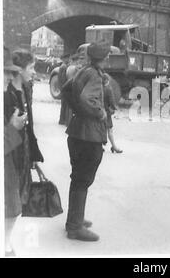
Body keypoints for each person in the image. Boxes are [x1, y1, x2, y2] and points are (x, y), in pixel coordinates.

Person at [62, 41, 110, 241]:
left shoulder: (83, 71)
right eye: (107, 55)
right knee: (83, 180)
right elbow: (86, 99)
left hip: (77, 132)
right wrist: (99, 113)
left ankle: (74, 220)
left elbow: (65, 91)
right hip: (89, 136)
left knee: (78, 179)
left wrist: (78, 112)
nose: (108, 58)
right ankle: (75, 227)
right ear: (103, 58)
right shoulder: (95, 75)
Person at [4, 48, 44, 255]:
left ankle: (6, 240)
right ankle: (4, 245)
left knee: (19, 196)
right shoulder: (6, 93)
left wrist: (33, 155)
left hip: (23, 147)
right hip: (10, 151)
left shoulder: (26, 88)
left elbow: (29, 125)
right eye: (31, 67)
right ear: (18, 70)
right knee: (11, 203)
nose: (34, 71)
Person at [4, 47, 28, 257]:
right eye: (4, 72)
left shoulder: (8, 92)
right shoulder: (6, 95)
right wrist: (13, 128)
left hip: (12, 157)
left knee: (12, 207)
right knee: (11, 208)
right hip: (6, 159)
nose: (8, 77)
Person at [103, 73, 122, 153]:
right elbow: (112, 102)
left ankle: (100, 146)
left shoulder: (99, 88)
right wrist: (115, 108)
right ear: (107, 80)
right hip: (106, 112)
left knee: (101, 129)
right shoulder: (108, 89)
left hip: (99, 111)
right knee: (109, 130)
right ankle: (114, 146)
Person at [58, 53, 71, 126]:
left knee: (64, 105)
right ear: (64, 59)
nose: (69, 60)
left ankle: (62, 120)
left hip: (62, 88)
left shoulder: (63, 66)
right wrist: (64, 88)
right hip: (64, 88)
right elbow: (63, 79)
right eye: (67, 58)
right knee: (64, 105)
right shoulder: (64, 67)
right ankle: (63, 120)